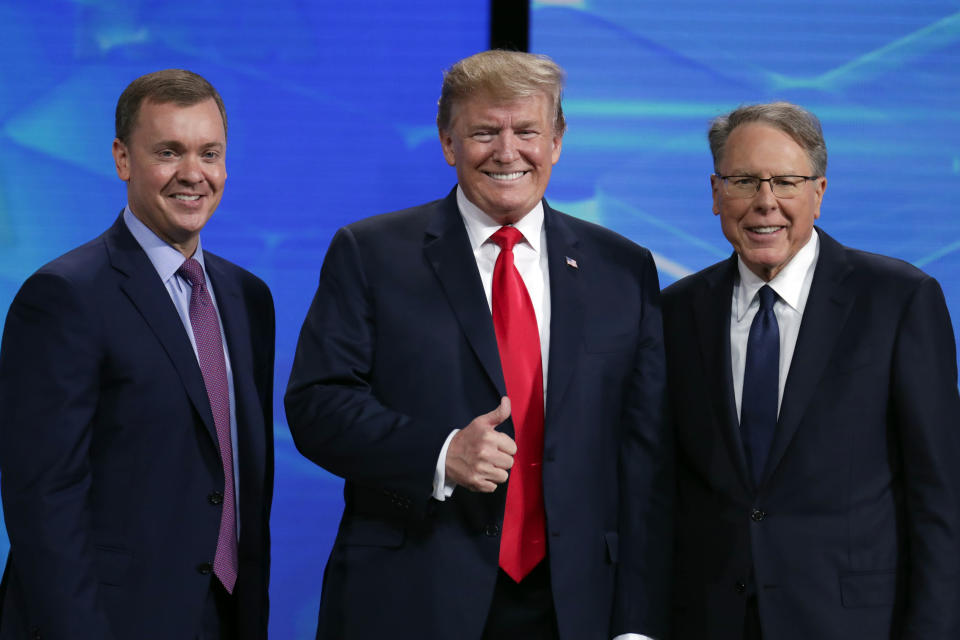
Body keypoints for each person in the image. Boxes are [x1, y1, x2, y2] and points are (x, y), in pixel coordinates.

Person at [285, 50, 671, 640]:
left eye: (527, 132)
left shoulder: (623, 267)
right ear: (447, 143)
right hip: (413, 596)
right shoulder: (371, 253)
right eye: (484, 132)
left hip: (575, 607)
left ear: (558, 141)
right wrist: (439, 453)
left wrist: (637, 623)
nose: (507, 151)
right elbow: (317, 404)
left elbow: (645, 455)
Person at [662, 101, 960, 639]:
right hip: (710, 620)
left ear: (818, 194)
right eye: (745, 181)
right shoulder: (676, 312)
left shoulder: (898, 300)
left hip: (852, 622)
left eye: (786, 182)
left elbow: (939, 495)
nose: (765, 203)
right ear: (715, 193)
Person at [0, 69, 275, 639]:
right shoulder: (64, 296)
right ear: (123, 159)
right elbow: (44, 501)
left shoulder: (249, 297)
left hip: (224, 615)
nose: (193, 174)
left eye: (209, 153)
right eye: (168, 152)